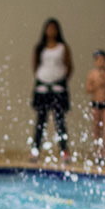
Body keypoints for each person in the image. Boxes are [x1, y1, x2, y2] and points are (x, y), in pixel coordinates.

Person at [29, 18, 73, 163]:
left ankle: (64, 150)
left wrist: (59, 79)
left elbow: (69, 66)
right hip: (43, 86)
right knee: (41, 120)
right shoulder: (40, 47)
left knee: (60, 120)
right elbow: (35, 65)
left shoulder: (63, 47)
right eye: (49, 28)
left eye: (53, 28)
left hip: (58, 86)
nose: (51, 31)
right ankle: (35, 150)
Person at [84, 50, 105, 165]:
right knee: (96, 130)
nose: (100, 62)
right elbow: (87, 89)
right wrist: (96, 86)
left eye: (102, 60)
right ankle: (97, 153)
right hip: (96, 104)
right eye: (98, 60)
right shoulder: (92, 74)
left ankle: (104, 153)